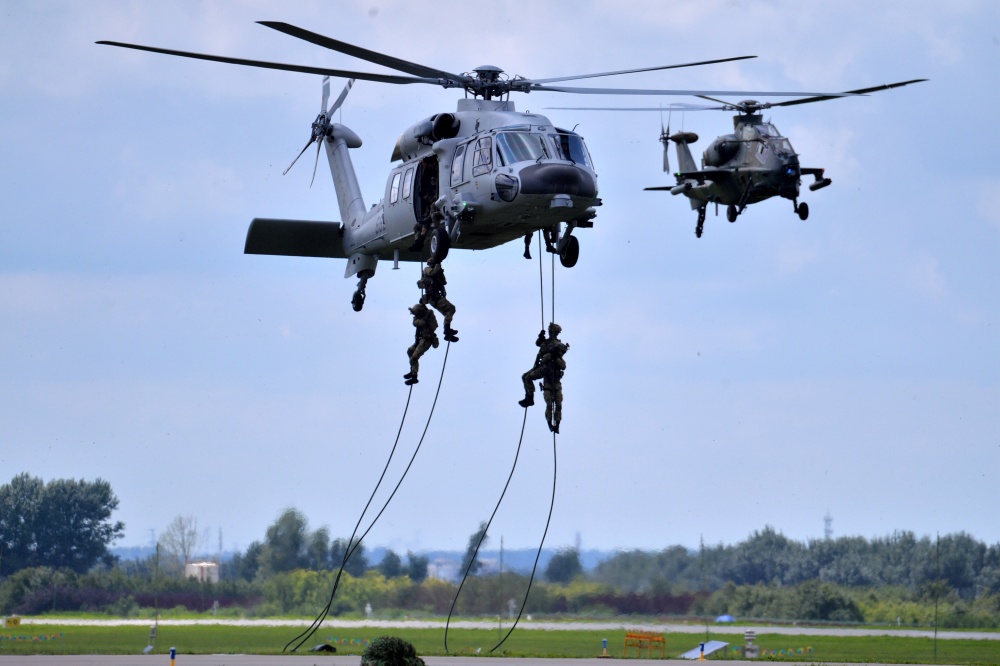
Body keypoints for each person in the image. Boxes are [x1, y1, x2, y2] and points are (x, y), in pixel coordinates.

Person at [518, 322, 569, 433]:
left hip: (547, 368)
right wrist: (540, 337)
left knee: (556, 403)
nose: (551, 333)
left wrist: (555, 353)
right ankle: (529, 397)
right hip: (541, 366)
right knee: (525, 377)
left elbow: (563, 352)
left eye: (553, 332)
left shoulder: (557, 344)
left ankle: (530, 399)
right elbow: (538, 344)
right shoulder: (545, 342)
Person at [417, 260, 458, 342]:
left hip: (435, 297)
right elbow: (432, 273)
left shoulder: (437, 272)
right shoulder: (427, 269)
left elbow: (444, 282)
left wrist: (441, 273)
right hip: (433, 297)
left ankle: (447, 331)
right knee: (451, 308)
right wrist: (437, 267)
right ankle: (446, 329)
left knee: (448, 313)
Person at [404, 302, 439, 385]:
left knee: (414, 358)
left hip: (426, 340)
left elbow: (417, 323)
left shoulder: (426, 318)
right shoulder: (421, 317)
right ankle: (412, 370)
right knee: (409, 351)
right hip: (421, 339)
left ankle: (414, 376)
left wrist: (416, 319)